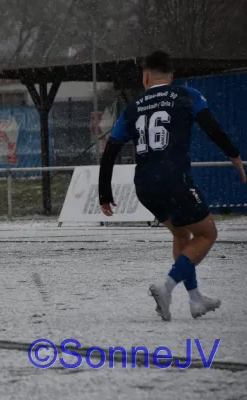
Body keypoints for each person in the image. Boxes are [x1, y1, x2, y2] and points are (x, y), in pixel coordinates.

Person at [98, 50, 246, 322]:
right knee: (207, 233)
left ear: (145, 77)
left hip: (144, 185)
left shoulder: (132, 107)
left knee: (181, 236)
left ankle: (196, 299)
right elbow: (212, 128)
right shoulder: (187, 95)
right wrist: (234, 154)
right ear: (172, 75)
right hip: (174, 179)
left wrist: (104, 194)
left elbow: (110, 152)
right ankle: (166, 287)